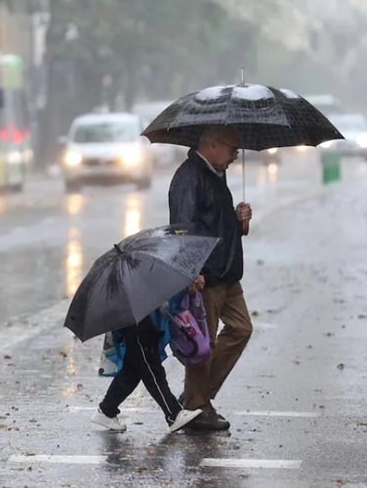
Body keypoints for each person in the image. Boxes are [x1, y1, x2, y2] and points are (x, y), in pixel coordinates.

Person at [168, 125, 253, 431]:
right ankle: (196, 407)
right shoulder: (189, 177)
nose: (235, 155)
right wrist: (190, 270)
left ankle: (196, 395)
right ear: (213, 144)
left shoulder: (216, 174)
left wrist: (239, 220)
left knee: (241, 329)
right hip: (205, 275)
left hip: (227, 272)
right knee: (204, 343)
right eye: (232, 148)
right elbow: (182, 228)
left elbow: (215, 223)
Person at [91, 282, 205, 434]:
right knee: (152, 370)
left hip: (141, 318)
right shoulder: (127, 276)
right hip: (136, 323)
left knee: (131, 373)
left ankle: (106, 410)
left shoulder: (132, 274)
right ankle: (173, 414)